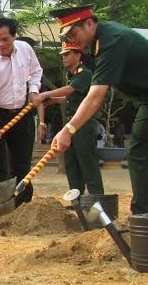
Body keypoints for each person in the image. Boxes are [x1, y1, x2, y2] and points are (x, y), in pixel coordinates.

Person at [51, 5, 148, 215]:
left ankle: (143, 217)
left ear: (89, 23)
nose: (72, 40)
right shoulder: (102, 39)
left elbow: (95, 97)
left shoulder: (111, 41)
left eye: (74, 33)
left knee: (140, 151)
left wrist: (68, 129)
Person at [0, 17, 43, 207]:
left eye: (5, 39)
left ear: (14, 36)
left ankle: (22, 207)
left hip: (21, 112)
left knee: (22, 164)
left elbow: (36, 71)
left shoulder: (25, 50)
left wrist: (33, 91)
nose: (0, 44)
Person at [38, 42, 104, 195]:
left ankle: (97, 197)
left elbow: (71, 89)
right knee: (71, 161)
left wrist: (46, 94)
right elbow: (72, 97)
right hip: (70, 124)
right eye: (62, 55)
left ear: (78, 55)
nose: (63, 58)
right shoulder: (72, 75)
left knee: (87, 161)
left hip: (84, 124)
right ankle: (76, 198)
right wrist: (56, 100)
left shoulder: (85, 74)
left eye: (67, 54)